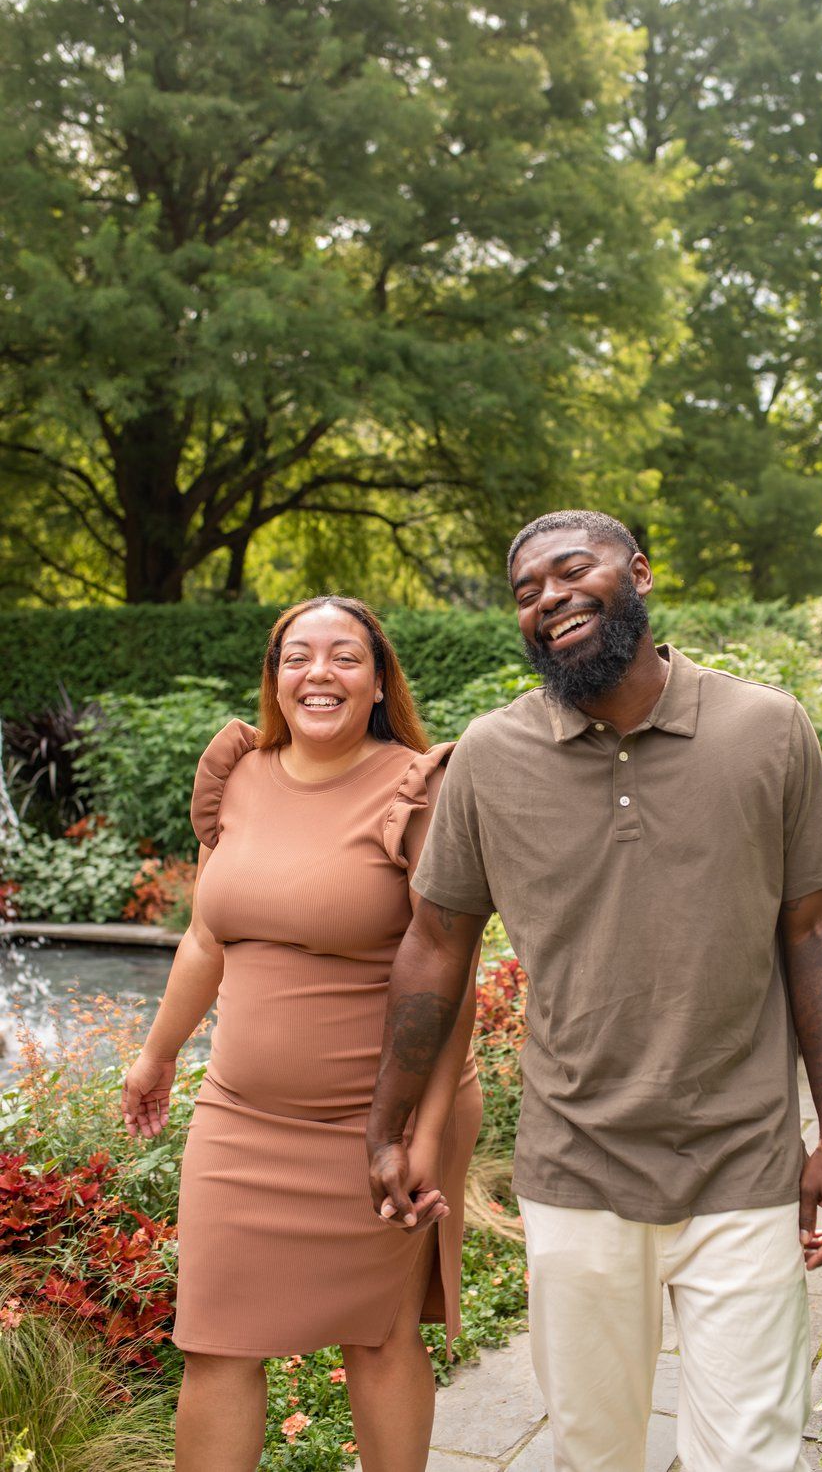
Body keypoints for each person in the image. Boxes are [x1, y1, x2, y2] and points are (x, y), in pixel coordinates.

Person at [367, 511, 822, 1472]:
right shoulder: (491, 755)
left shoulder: (765, 728)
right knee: (593, 1451)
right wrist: (386, 1125)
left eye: (571, 570)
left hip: (743, 1162)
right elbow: (435, 944)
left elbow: (818, 929)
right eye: (526, 591)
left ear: (637, 572)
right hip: (576, 1167)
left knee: (752, 1455)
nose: (549, 598)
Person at [122, 596, 482, 1472]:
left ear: (378, 681)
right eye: (298, 656)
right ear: (276, 677)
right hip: (239, 1119)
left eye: (345, 657)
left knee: (381, 1338)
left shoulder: (419, 788)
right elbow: (205, 937)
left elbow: (453, 976)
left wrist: (422, 1134)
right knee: (214, 1341)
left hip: (378, 1125)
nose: (319, 673)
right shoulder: (238, 774)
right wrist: (157, 1053)